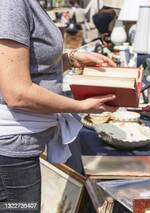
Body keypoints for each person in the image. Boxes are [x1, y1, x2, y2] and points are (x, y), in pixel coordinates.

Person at [0, 0, 116, 210]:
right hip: (10, 150)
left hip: (18, 147)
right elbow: (17, 92)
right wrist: (80, 106)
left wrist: (71, 58)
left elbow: (29, 63)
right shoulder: (10, 4)